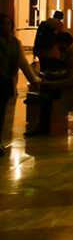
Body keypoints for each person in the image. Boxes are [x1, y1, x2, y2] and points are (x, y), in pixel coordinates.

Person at [31, 32, 73, 136]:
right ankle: (44, 126)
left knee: (47, 96)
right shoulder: (70, 52)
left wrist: (51, 83)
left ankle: (45, 127)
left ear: (63, 43)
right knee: (46, 92)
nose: (56, 47)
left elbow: (72, 80)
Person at [1, 14, 39, 152]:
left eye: (7, 24)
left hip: (5, 83)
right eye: (2, 24)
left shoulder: (15, 43)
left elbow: (22, 63)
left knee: (2, 113)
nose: (5, 27)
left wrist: (34, 80)